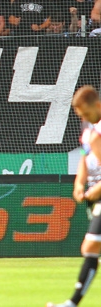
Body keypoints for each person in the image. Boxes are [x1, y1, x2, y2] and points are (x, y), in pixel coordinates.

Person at [47, 85, 101, 307]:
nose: (83, 118)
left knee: (90, 248)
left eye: (86, 113)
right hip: (96, 194)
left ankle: (72, 304)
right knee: (92, 249)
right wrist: (79, 182)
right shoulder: (89, 125)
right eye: (80, 115)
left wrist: (94, 190)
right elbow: (85, 156)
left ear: (97, 105)